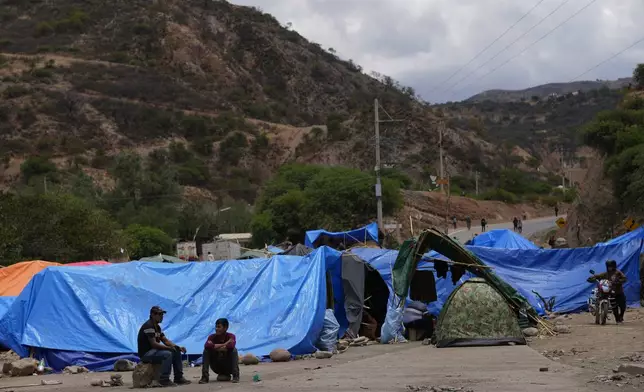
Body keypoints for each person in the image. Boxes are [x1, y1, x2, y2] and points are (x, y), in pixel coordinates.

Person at [137, 306, 191, 387]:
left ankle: (178, 377)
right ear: (152, 314)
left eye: (162, 314)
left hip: (154, 351)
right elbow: (154, 344)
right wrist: (169, 348)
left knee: (175, 350)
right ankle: (164, 380)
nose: (161, 316)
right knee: (167, 354)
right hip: (146, 354)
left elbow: (165, 341)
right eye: (159, 314)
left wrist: (177, 347)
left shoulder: (157, 327)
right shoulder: (148, 326)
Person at [200, 318, 240, 384]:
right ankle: (205, 377)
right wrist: (224, 344)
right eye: (216, 327)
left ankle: (235, 375)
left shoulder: (231, 336)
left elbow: (231, 346)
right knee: (206, 351)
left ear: (225, 328)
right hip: (216, 366)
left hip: (228, 366)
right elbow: (207, 346)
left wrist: (215, 347)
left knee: (234, 350)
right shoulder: (211, 337)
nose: (216, 329)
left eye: (219, 327)